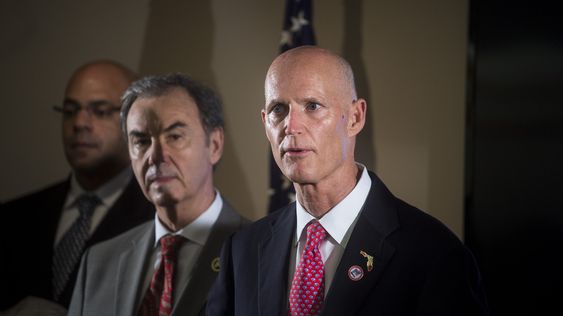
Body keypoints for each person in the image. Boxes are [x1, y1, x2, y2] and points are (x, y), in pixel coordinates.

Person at [206, 46, 489, 315]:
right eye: (279, 109)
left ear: (355, 117)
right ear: (265, 122)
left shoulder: (434, 255)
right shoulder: (241, 251)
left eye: (313, 106)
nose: (290, 126)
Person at [68, 73, 247, 316]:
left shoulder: (258, 252)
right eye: (141, 141)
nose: (155, 156)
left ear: (214, 145)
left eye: (174, 136)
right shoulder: (98, 262)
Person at [0, 60, 155, 314]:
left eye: (101, 110)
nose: (80, 122)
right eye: (70, 110)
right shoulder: (12, 217)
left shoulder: (162, 223)